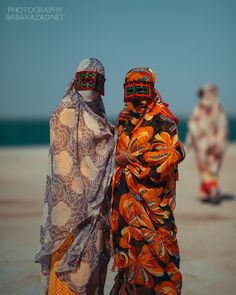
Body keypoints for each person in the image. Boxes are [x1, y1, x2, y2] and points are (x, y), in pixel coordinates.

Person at [35, 58, 116, 295]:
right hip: (72, 215)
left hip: (98, 214)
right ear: (77, 79)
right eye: (86, 79)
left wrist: (116, 132)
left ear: (102, 84)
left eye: (96, 80)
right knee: (69, 276)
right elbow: (63, 164)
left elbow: (104, 142)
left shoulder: (97, 113)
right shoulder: (65, 111)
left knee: (92, 274)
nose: (90, 86)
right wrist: (81, 206)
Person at [109, 67, 185, 294]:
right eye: (131, 90)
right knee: (131, 264)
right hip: (125, 211)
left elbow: (174, 154)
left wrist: (131, 158)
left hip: (152, 209)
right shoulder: (125, 119)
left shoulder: (162, 118)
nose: (136, 96)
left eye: (141, 89)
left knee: (160, 263)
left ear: (151, 89)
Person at [187, 84, 228, 204]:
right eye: (203, 94)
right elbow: (192, 123)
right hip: (201, 144)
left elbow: (222, 127)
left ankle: (212, 189)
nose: (205, 96)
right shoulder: (198, 108)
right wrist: (191, 139)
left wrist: (218, 142)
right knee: (204, 167)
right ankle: (205, 191)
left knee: (212, 168)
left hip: (215, 144)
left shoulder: (217, 108)